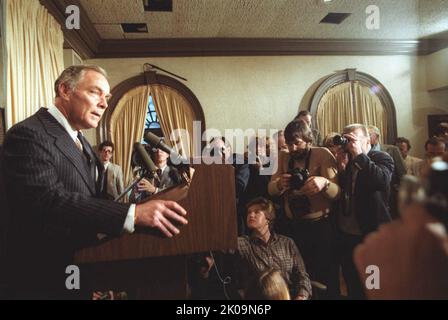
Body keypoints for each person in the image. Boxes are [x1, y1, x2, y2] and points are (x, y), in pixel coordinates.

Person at [1, 65, 188, 298]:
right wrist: (133, 214)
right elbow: (47, 201)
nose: (104, 103)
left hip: (79, 272)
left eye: (107, 97)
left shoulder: (83, 144)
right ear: (65, 90)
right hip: (40, 281)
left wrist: (101, 273)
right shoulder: (30, 134)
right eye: (95, 92)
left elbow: (91, 204)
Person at [268, 120, 340, 299]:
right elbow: (270, 189)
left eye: (297, 143)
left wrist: (324, 183)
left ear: (309, 140)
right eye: (289, 143)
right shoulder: (283, 157)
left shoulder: (322, 154)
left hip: (320, 227)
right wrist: (279, 184)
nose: (292, 148)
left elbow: (337, 193)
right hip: (293, 227)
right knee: (298, 276)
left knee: (325, 276)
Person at [334, 124, 394, 299]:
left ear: (367, 140)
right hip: (348, 236)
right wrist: (342, 169)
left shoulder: (381, 157)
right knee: (353, 284)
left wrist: (360, 155)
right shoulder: (350, 161)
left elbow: (381, 181)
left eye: (351, 138)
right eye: (345, 138)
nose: (348, 142)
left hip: (371, 235)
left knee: (372, 285)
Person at [208, 136, 250, 235]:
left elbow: (239, 187)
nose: (217, 154)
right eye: (213, 151)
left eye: (221, 150)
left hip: (237, 211)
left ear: (229, 150)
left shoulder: (240, 161)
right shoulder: (210, 165)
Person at [368, 125, 406, 218]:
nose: (366, 137)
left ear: (376, 137)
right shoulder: (363, 152)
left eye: (368, 134)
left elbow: (402, 172)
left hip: (391, 196)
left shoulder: (392, 150)